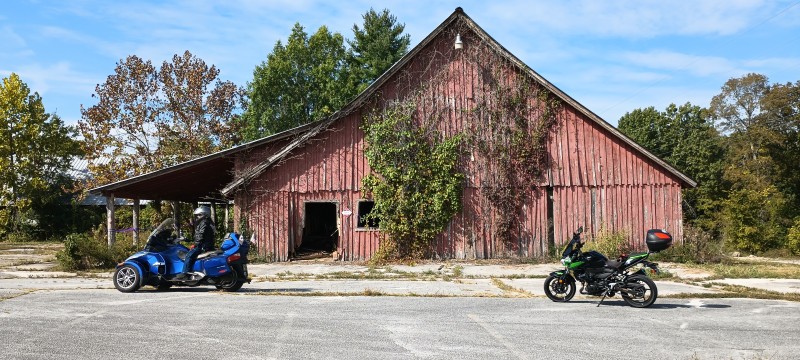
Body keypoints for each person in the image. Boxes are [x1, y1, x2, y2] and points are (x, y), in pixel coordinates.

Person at [177, 206, 216, 279]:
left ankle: (185, 273)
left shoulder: (204, 223)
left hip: (203, 246)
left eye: (199, 215)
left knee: (189, 255)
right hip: (206, 245)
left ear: (205, 214)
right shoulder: (209, 222)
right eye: (197, 215)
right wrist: (188, 240)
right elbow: (199, 236)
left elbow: (201, 235)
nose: (197, 217)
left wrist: (195, 244)